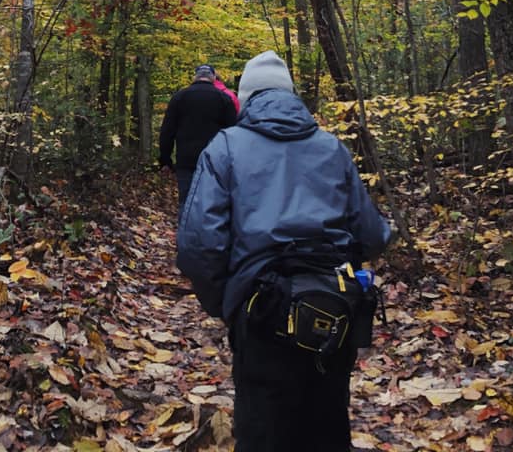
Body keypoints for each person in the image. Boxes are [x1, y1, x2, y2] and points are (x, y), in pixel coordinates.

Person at [176, 50, 391, 452]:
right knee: (327, 427)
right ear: (292, 95)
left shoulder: (225, 147)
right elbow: (374, 235)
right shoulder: (332, 148)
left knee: (262, 430)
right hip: (332, 309)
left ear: (246, 97)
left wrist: (227, 302)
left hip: (261, 309)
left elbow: (198, 244)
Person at [158, 64, 237, 208]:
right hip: (216, 160)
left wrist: (165, 160)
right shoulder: (224, 99)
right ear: (213, 77)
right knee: (212, 204)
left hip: (186, 159)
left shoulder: (179, 97)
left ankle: (186, 228)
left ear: (195, 77)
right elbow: (233, 132)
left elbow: (167, 131)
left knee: (186, 202)